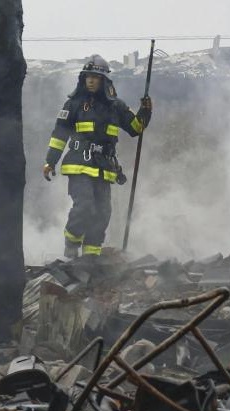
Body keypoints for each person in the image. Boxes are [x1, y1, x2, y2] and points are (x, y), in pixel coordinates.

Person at [43, 55, 152, 259]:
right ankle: (71, 243)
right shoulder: (73, 104)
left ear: (104, 80)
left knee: (102, 213)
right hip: (78, 163)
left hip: (104, 167)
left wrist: (146, 111)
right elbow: (59, 135)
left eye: (96, 77)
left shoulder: (116, 106)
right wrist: (50, 161)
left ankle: (91, 257)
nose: (91, 80)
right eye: (88, 76)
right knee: (85, 206)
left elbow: (136, 128)